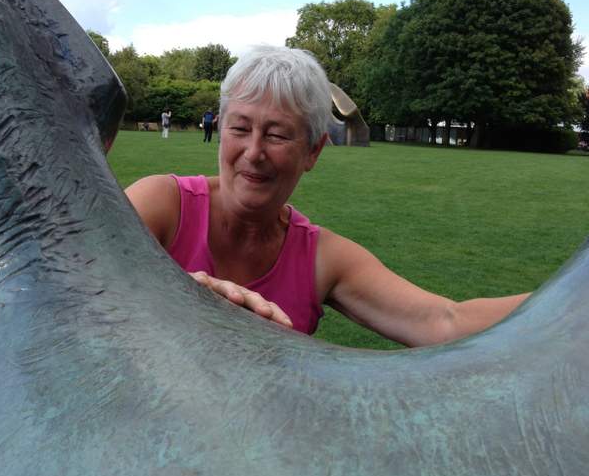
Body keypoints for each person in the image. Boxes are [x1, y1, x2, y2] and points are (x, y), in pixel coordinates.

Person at [126, 46, 528, 346]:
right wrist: (182, 293)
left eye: (277, 135)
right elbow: (88, 286)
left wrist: (563, 301)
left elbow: (445, 321)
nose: (253, 152)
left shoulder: (320, 257)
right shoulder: (162, 205)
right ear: (220, 129)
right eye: (240, 129)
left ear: (313, 152)